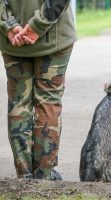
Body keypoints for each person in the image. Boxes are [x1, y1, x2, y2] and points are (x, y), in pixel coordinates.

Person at [0, 0, 76, 180]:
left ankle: (24, 177)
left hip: (12, 40)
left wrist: (9, 25)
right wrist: (36, 26)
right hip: (54, 36)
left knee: (18, 102)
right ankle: (44, 176)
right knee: (48, 101)